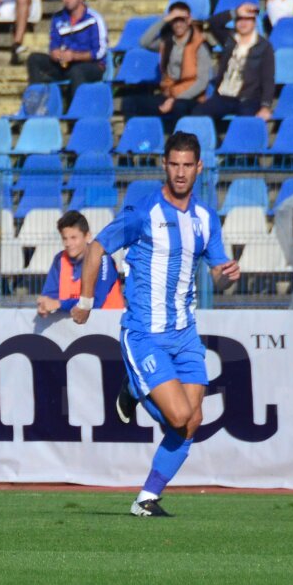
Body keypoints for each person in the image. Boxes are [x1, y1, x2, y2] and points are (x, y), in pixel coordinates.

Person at [70, 131, 240, 517]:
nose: (180, 173)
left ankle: (146, 498)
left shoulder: (205, 219)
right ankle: (133, 387)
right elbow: (97, 248)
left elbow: (217, 274)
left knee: (192, 421)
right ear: (165, 165)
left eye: (187, 166)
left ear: (199, 168)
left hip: (185, 335)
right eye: (174, 164)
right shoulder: (143, 212)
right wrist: (86, 300)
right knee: (179, 416)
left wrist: (229, 274)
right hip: (145, 333)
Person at [128, 1, 211, 131]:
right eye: (174, 20)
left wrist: (175, 99)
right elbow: (144, 42)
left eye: (182, 20)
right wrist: (164, 19)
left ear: (189, 21)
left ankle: (178, 141)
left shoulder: (200, 46)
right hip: (168, 94)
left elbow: (202, 82)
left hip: (190, 97)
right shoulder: (167, 42)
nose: (178, 24)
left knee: (179, 106)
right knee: (131, 103)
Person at [193, 1, 274, 122]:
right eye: (239, 19)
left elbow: (268, 79)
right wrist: (235, 12)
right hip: (223, 96)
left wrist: (266, 106)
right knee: (198, 113)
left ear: (254, 22)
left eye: (247, 19)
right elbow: (212, 23)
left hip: (248, 98)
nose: (243, 23)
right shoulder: (229, 39)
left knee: (246, 122)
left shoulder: (264, 46)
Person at [25, 0, 107, 99]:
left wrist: (74, 56)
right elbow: (54, 44)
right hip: (65, 65)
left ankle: (77, 110)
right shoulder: (58, 19)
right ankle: (36, 101)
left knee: (76, 71)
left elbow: (100, 51)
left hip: (91, 66)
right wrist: (55, 53)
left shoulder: (94, 19)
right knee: (34, 59)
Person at [37, 210, 124, 317]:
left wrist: (59, 304)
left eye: (73, 238)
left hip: (108, 324)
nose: (68, 243)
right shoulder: (59, 260)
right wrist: (44, 306)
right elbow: (49, 296)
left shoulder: (104, 260)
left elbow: (96, 302)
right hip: (73, 327)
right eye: (65, 238)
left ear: (87, 236)